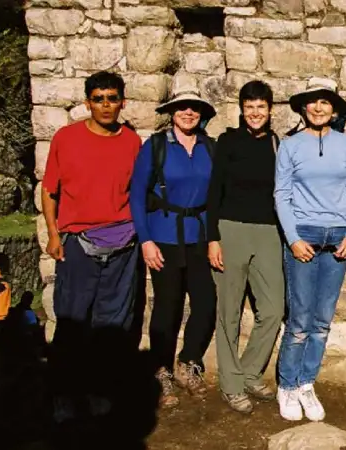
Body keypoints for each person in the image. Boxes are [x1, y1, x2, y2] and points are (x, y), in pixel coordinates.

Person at [41, 71, 142, 422]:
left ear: (122, 102)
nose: (105, 105)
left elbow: (139, 192)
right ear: (87, 103)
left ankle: (100, 391)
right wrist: (54, 234)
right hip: (78, 246)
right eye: (98, 98)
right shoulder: (66, 139)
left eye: (112, 98)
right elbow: (50, 190)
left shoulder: (132, 142)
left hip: (124, 245)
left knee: (112, 325)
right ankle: (64, 395)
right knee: (72, 322)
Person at [274, 78, 346, 422]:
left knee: (322, 321)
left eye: (325, 102)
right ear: (303, 107)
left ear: (334, 108)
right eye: (313, 101)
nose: (319, 107)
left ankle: (307, 382)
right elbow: (281, 194)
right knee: (299, 320)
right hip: (304, 236)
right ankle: (287, 384)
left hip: (338, 238)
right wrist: (293, 238)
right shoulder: (291, 146)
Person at [130, 87, 218, 408]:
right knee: (167, 308)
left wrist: (214, 238)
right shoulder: (155, 147)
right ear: (172, 112)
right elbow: (137, 194)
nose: (188, 112)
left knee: (206, 303)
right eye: (182, 107)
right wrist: (146, 240)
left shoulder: (210, 147)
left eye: (194, 108)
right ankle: (161, 370)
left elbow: (217, 195)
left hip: (199, 236)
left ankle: (188, 362)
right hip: (164, 236)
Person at [206, 80, 284, 414]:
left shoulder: (277, 144)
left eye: (261, 107)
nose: (255, 113)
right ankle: (231, 383)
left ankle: (250, 371)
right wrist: (212, 238)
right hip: (231, 230)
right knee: (229, 311)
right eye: (249, 106)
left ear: (270, 110)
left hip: (268, 232)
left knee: (273, 309)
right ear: (241, 109)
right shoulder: (227, 142)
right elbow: (214, 191)